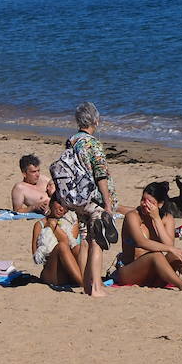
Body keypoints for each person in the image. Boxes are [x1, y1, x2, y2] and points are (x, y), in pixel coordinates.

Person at [62, 102, 119, 299]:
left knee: (85, 239)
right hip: (93, 197)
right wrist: (108, 203)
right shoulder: (92, 143)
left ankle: (86, 284)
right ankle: (96, 287)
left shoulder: (72, 141)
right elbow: (100, 174)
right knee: (97, 241)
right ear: (95, 120)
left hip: (78, 197)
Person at [114, 182, 182, 291]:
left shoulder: (167, 218)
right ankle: (181, 284)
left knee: (179, 256)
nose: (145, 204)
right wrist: (171, 249)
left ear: (160, 204)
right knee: (156, 255)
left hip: (155, 274)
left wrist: (156, 219)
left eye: (150, 202)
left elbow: (169, 245)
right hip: (130, 271)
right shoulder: (133, 216)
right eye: (143, 199)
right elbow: (141, 242)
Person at [32, 198, 84, 286]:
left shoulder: (72, 221)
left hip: (69, 272)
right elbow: (36, 257)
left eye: (65, 206)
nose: (61, 209)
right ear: (51, 203)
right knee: (62, 246)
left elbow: (69, 244)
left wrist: (54, 227)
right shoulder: (39, 224)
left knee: (78, 247)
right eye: (59, 203)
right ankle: (83, 283)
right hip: (52, 271)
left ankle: (85, 279)